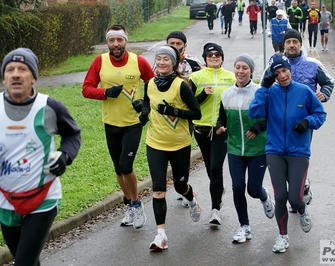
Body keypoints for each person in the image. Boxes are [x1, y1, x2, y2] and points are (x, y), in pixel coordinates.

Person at [0, 48, 81, 265]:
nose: (16, 74)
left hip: (43, 199)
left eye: (22, 69)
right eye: (10, 70)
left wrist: (65, 156)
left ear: (33, 78)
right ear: (4, 77)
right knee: (26, 259)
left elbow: (73, 134)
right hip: (5, 200)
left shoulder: (49, 107)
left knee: (24, 263)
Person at [249, 53, 326, 253]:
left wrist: (307, 122)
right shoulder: (269, 92)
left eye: (284, 70)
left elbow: (320, 114)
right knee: (280, 196)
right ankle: (282, 237)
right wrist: (264, 88)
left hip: (298, 152)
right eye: (277, 73)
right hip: (274, 150)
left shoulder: (304, 92)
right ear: (273, 76)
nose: (282, 75)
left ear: (290, 70)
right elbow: (255, 113)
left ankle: (302, 210)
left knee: (295, 198)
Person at [82, 24, 154, 228]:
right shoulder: (100, 61)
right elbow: (86, 89)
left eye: (119, 40)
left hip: (132, 123)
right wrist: (105, 93)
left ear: (126, 42)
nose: (116, 44)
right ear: (107, 42)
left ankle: (136, 203)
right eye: (112, 40)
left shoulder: (138, 61)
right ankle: (130, 205)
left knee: (125, 166)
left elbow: (154, 84)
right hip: (110, 123)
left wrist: (145, 105)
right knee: (117, 169)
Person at [260, 29, 334, 213]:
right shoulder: (274, 65)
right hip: (279, 121)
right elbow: (263, 87)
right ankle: (298, 188)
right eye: (288, 42)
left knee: (299, 156)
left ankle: (299, 187)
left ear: (301, 44)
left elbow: (329, 82)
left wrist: (323, 95)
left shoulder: (313, 64)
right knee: (280, 156)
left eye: (295, 41)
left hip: (305, 121)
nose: (292, 45)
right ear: (283, 44)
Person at [141, 45, 202, 250]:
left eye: (166, 59)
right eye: (158, 59)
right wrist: (142, 112)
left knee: (179, 186)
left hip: (179, 144)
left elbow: (196, 114)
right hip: (155, 143)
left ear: (174, 63)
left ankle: (191, 198)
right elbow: (147, 103)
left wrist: (173, 110)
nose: (161, 63)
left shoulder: (181, 85)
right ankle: (161, 236)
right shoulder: (149, 83)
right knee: (158, 190)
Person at [216, 54, 275, 243]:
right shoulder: (226, 95)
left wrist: (257, 127)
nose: (240, 71)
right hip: (234, 149)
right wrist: (219, 126)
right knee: (237, 187)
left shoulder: (260, 92)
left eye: (245, 68)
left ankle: (265, 196)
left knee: (253, 189)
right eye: (238, 67)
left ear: (251, 71)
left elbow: (270, 118)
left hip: (258, 149)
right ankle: (244, 227)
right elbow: (222, 117)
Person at [188, 43, 236, 225]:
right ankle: (218, 188)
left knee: (216, 167)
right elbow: (188, 104)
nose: (214, 57)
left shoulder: (231, 78)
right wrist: (202, 96)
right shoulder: (195, 77)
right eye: (210, 55)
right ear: (205, 58)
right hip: (201, 129)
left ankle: (215, 210)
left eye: (217, 54)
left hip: (221, 130)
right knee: (210, 168)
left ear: (222, 57)